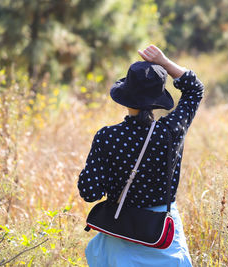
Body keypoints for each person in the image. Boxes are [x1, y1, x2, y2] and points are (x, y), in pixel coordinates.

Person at [78, 45, 204, 266]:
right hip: (162, 236)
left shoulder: (108, 137)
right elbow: (195, 89)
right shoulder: (170, 132)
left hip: (120, 233)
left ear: (125, 97)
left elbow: (89, 192)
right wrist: (164, 61)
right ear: (158, 99)